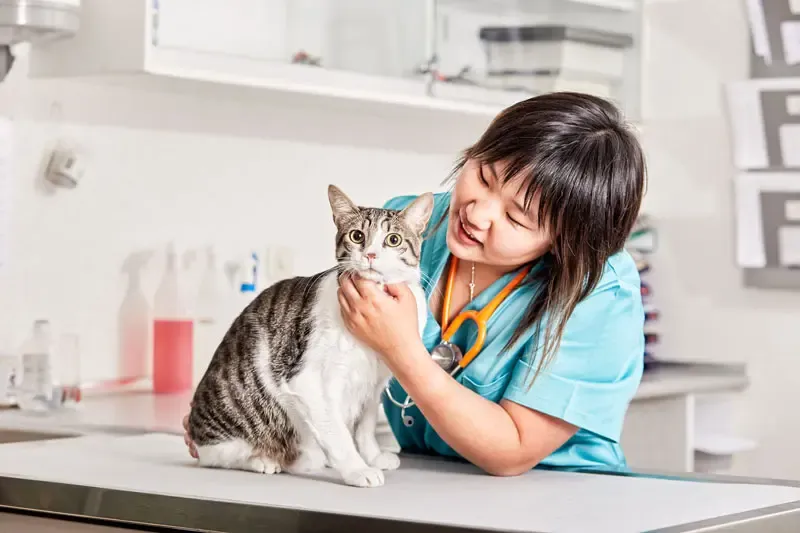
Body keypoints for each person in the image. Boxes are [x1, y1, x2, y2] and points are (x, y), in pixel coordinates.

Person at [182, 91, 647, 475]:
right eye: (483, 176)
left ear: (566, 243)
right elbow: (335, 362)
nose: (478, 213)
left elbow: (512, 450)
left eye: (516, 217)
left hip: (561, 499)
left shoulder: (599, 289)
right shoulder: (412, 225)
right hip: (431, 484)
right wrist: (242, 416)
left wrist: (402, 349)